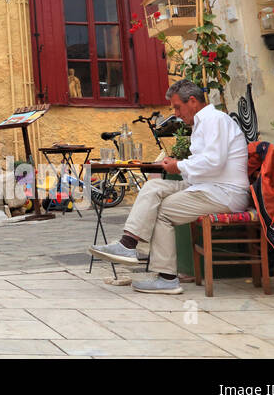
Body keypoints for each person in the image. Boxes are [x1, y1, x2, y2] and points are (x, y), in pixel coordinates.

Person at [88, 80, 251, 294]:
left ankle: (167, 278)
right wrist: (176, 164)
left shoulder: (214, 120)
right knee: (153, 187)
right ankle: (127, 244)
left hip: (224, 193)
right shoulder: (204, 123)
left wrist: (179, 165)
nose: (175, 113)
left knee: (162, 211)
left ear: (192, 101)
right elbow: (206, 164)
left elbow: (214, 162)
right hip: (206, 186)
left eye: (177, 107)